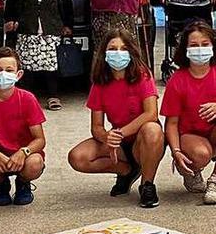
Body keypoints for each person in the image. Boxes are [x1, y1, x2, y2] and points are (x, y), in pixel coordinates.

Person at [67, 29, 164, 208]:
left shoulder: (142, 74)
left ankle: (147, 184)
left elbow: (151, 113)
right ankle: (126, 171)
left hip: (143, 140)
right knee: (77, 157)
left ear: (131, 52)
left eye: (123, 48)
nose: (118, 53)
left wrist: (119, 133)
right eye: (112, 49)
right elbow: (96, 126)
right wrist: (107, 137)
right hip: (119, 142)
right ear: (104, 53)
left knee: (152, 128)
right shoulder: (100, 82)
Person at [162, 22, 216, 205]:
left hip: (215, 131)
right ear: (185, 49)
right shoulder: (177, 80)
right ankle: (191, 170)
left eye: (205, 44)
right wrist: (176, 151)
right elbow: (171, 123)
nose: (200, 50)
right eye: (194, 45)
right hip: (189, 135)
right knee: (200, 154)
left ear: (214, 46)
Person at [0, 47, 48, 207]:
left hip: (24, 156)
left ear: (18, 75)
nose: (3, 74)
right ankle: (1, 184)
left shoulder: (27, 99)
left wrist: (23, 152)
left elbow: (40, 140)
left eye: (9, 70)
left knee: (35, 163)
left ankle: (23, 183)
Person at [3, 0, 73, 112]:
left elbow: (65, 0)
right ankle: (27, 98)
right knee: (26, 63)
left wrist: (67, 24)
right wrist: (10, 19)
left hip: (50, 24)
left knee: (51, 63)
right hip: (27, 25)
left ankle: (53, 96)